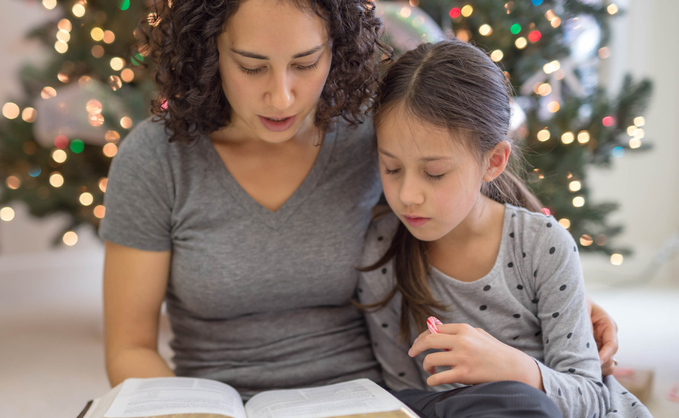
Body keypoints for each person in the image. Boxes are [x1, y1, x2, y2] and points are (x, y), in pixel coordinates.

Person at [100, 0, 619, 404]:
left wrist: (562, 302)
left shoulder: (374, 129)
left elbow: (471, 192)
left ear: (337, 47)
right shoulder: (157, 159)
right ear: (208, 51)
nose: (282, 96)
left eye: (305, 62)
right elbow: (130, 347)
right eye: (252, 66)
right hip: (213, 403)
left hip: (371, 399)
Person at [357, 40, 651, 418]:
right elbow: (405, 399)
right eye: (392, 169)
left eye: (434, 173)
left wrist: (516, 369)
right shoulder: (381, 253)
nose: (408, 195)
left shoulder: (543, 246)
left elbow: (591, 399)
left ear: (493, 161)